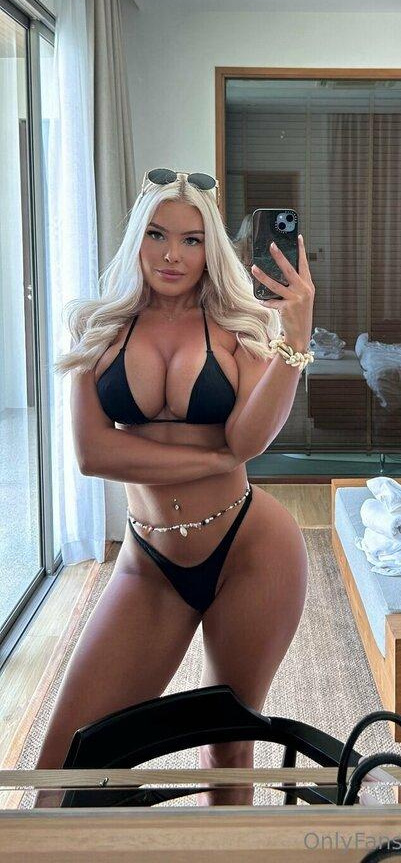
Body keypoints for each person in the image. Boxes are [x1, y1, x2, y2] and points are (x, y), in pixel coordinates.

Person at [34, 168, 315, 807]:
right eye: (157, 235)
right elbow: (93, 453)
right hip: (150, 562)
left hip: (251, 551)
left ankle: (227, 852)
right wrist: (212, 456)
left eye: (192, 240)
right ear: (137, 236)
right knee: (67, 765)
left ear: (210, 248)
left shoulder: (239, 326)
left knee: (227, 744)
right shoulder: (97, 327)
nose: (172, 255)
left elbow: (248, 440)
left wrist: (294, 340)